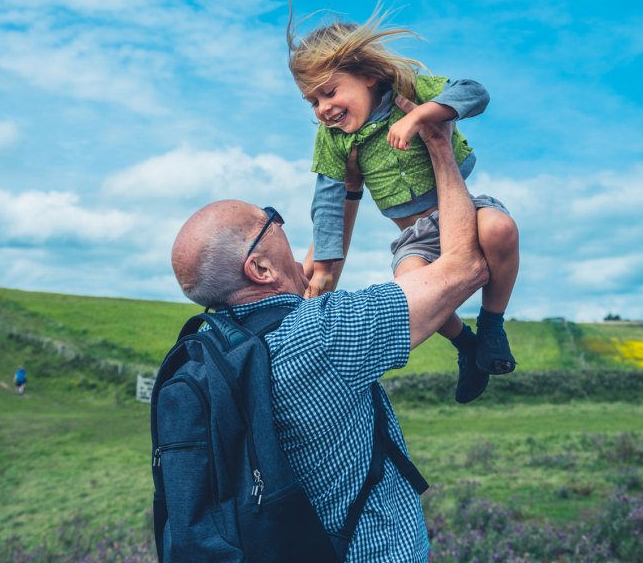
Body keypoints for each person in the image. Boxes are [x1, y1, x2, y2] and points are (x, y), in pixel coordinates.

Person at [171, 105, 488, 561]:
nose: (281, 224)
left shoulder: (220, 350)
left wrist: (351, 187)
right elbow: (464, 267)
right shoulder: (323, 334)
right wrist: (439, 144)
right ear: (259, 268)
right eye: (270, 220)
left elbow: (318, 278)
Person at [287, 5, 520, 403]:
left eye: (329, 92)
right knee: (409, 290)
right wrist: (323, 268)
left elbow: (473, 92)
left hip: (463, 209)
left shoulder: (408, 93)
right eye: (312, 101)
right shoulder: (334, 140)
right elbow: (327, 201)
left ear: (369, 76)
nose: (322, 108)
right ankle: (467, 346)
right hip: (415, 236)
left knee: (500, 228)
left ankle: (492, 326)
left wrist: (421, 117)